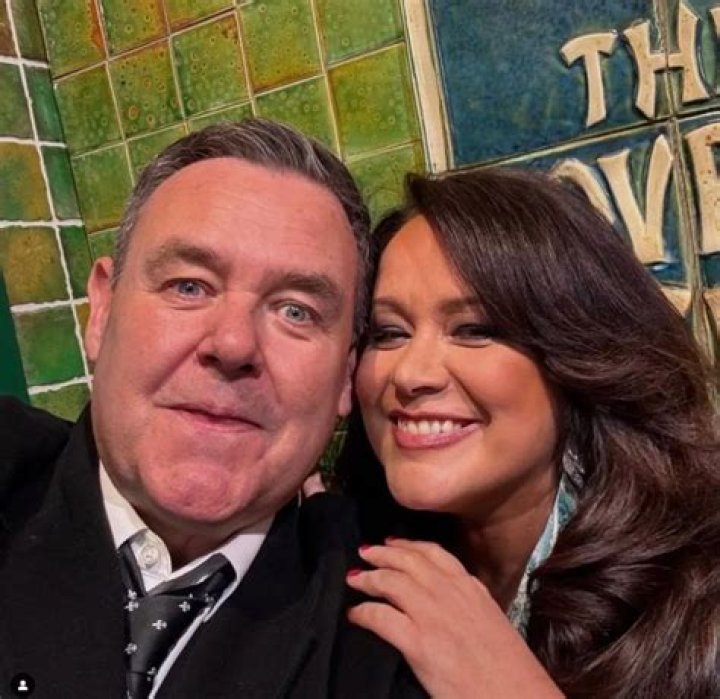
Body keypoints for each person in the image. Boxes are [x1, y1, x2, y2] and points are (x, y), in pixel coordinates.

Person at [0, 119, 422, 698]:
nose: (233, 345)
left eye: (296, 311)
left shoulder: (397, 634)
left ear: (347, 375)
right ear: (102, 310)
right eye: (189, 286)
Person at [335, 168, 720, 698]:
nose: (410, 374)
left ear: (579, 353)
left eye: (473, 330)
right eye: (389, 333)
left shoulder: (701, 587)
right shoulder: (348, 564)